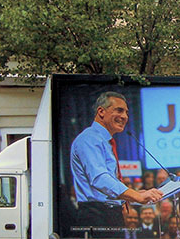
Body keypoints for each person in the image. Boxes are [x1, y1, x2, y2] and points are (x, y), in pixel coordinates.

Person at [70, 91, 163, 229]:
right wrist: (136, 197)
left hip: (109, 214)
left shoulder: (105, 141)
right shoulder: (89, 139)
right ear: (101, 111)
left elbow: (108, 188)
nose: (124, 117)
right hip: (96, 216)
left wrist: (135, 194)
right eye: (119, 110)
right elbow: (100, 179)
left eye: (126, 112)